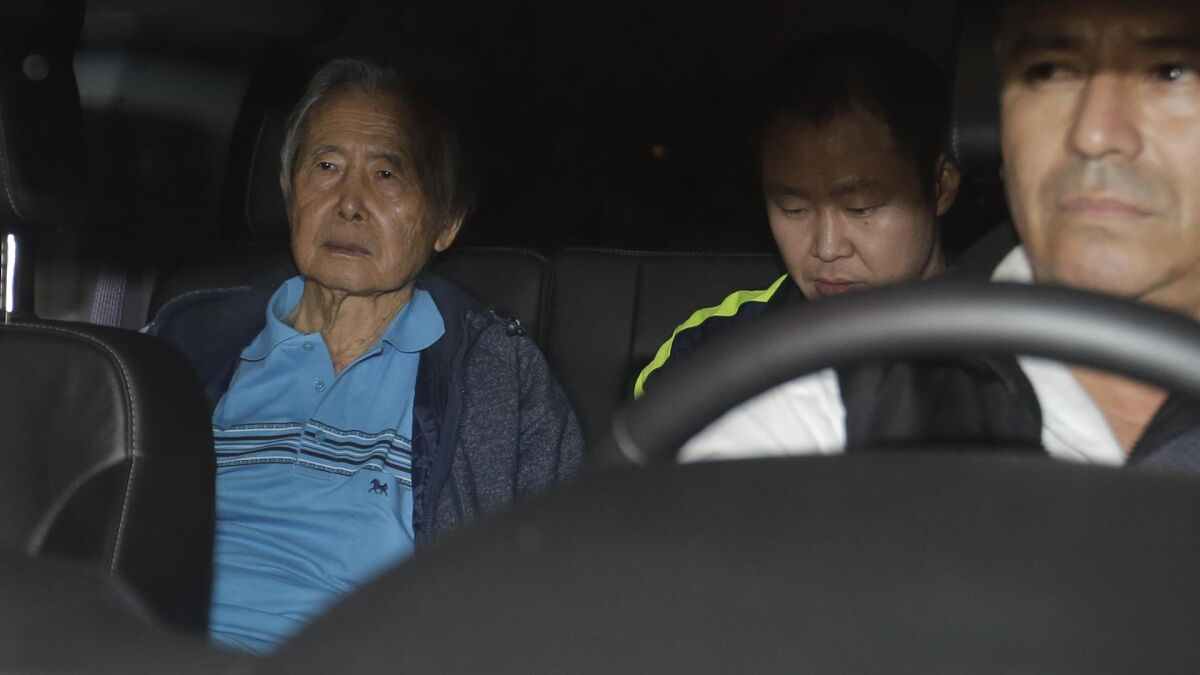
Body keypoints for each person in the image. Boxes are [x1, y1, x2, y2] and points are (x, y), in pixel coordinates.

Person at [148, 58, 584, 653]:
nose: (349, 203)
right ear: (291, 193)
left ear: (446, 222)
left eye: (386, 174)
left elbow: (561, 578)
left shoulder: (496, 376)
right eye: (326, 167)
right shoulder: (185, 342)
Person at [680, 0, 1200, 471]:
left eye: (1172, 71)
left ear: (942, 184)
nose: (1094, 133)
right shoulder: (806, 400)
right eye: (1049, 70)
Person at [634, 34, 962, 398]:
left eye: (860, 208)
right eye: (794, 209)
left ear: (941, 186)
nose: (827, 248)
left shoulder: (1007, 335)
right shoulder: (712, 349)